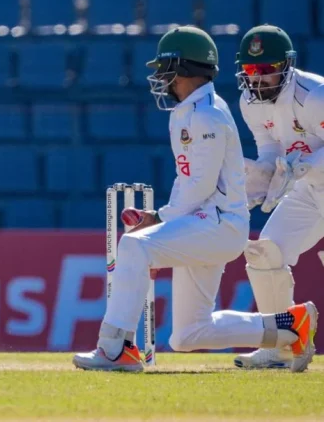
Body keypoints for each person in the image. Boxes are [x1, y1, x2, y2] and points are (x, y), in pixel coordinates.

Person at [72, 26, 317, 373]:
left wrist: (159, 220)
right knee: (188, 335)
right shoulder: (190, 111)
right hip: (206, 222)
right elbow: (189, 182)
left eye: (165, 68)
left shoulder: (206, 116)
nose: (161, 77)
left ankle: (115, 349)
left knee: (134, 246)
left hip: (219, 225)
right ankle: (290, 326)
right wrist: (162, 221)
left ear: (184, 69)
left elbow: (198, 187)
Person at [233, 24, 324, 369]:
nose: (257, 79)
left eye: (266, 69)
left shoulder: (314, 95)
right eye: (250, 70)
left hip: (310, 175)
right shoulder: (249, 102)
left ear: (286, 65)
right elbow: (270, 149)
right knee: (264, 252)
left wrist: (306, 164)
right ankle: (280, 345)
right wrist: (262, 175)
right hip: (308, 188)